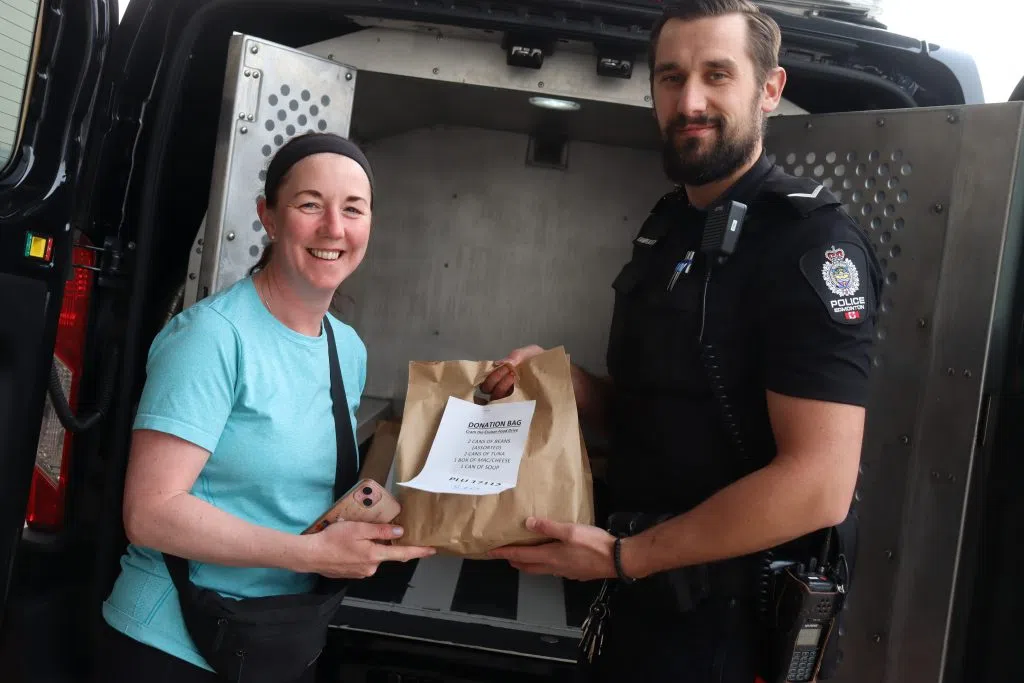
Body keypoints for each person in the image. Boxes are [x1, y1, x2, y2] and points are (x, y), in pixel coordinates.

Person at [484, 1, 883, 681]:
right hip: (641, 605)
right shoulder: (671, 225)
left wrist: (624, 555)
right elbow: (667, 411)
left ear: (770, 90)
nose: (688, 100)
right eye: (670, 78)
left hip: (729, 630)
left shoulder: (812, 246)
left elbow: (819, 483)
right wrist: (569, 386)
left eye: (716, 75)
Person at [94, 132, 435, 682]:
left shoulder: (345, 348)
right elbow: (150, 513)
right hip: (173, 643)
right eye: (309, 205)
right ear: (269, 218)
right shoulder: (211, 336)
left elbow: (293, 493)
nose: (334, 228)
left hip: (270, 640)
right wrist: (317, 555)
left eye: (353, 209)